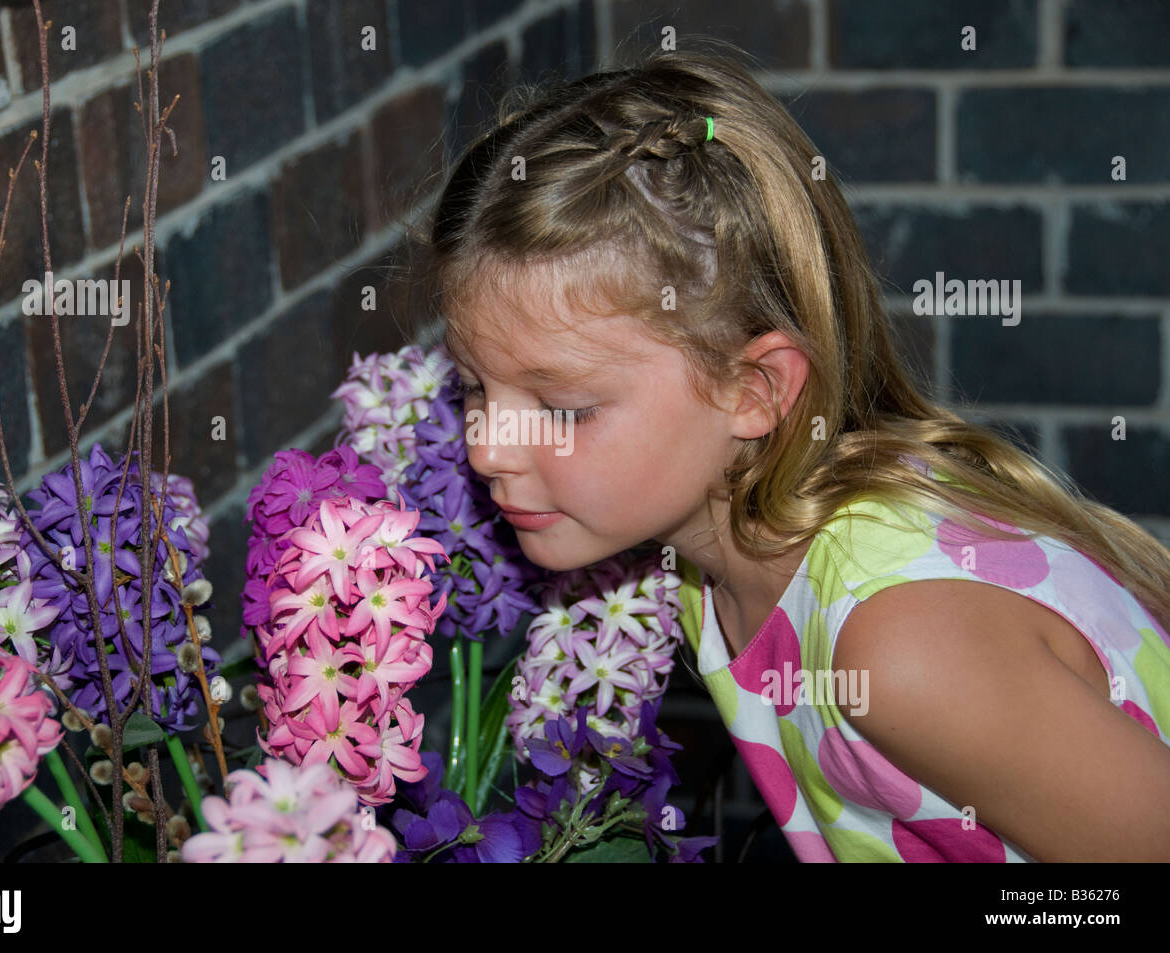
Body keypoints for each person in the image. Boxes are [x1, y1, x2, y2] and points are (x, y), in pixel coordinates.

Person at [405, 39, 1170, 861]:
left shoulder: (900, 647)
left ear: (756, 391)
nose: (485, 448)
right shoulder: (711, 553)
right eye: (475, 387)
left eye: (563, 408)